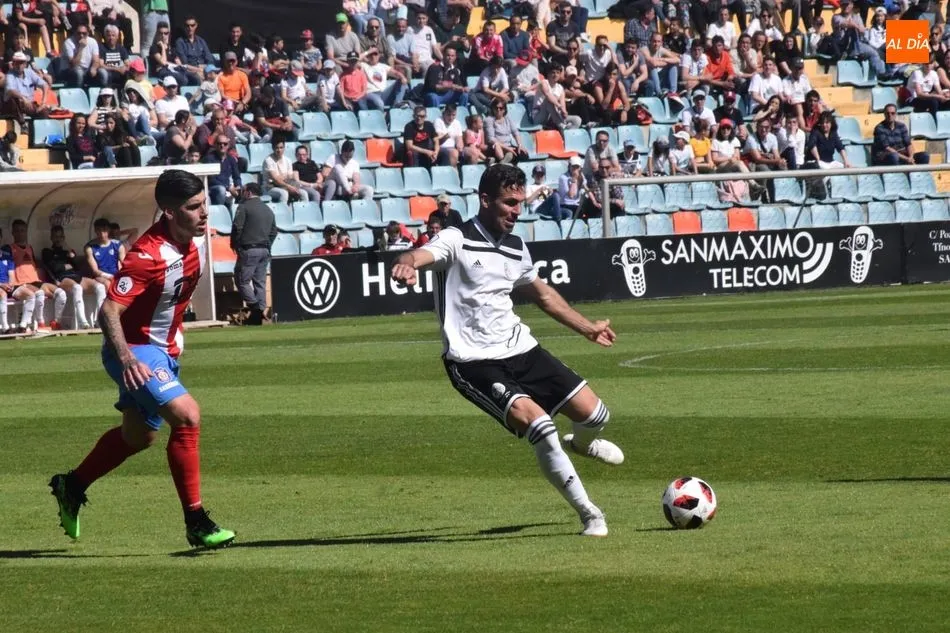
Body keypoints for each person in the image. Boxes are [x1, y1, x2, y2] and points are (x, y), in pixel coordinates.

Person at [390, 163, 623, 536]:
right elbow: (416, 256)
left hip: (521, 349)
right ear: (485, 200)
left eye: (519, 202)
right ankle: (590, 514)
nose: (517, 210)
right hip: (474, 363)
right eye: (509, 203)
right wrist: (405, 266)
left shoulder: (516, 247)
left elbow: (544, 296)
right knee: (542, 427)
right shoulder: (457, 239)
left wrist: (587, 329)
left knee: (596, 416)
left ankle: (582, 444)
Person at [49, 170, 235, 549]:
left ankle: (72, 485)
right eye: (193, 207)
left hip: (160, 351)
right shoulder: (146, 257)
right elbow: (108, 312)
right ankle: (196, 522)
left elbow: (172, 301)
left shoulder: (195, 243)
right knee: (188, 417)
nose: (204, 213)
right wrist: (127, 358)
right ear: (168, 212)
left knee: (139, 436)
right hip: (135, 352)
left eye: (204, 204)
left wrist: (173, 338)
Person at [230, 183, 276, 326]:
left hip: (249, 249)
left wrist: (235, 245)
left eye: (243, 191)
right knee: (260, 282)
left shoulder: (244, 207)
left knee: (242, 280)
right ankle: (260, 314)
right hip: (265, 250)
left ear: (248, 193)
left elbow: (237, 228)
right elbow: (274, 232)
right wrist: (267, 245)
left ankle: (255, 309)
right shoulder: (268, 210)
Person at [42, 224, 104, 329]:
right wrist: (66, 265)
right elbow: (55, 268)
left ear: (63, 238)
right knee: (77, 288)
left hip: (77, 276)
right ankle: (83, 322)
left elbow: (76, 266)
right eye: (55, 237)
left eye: (60, 237)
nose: (58, 239)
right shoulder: (47, 251)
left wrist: (69, 254)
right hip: (62, 278)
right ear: (51, 237)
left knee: (100, 287)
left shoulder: (68, 252)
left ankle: (99, 320)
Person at [0, 227, 39, 335]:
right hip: (1, 287)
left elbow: (11, 273)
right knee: (2, 294)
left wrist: (11, 283)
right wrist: (2, 285)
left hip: (8, 285)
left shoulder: (6, 256)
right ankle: (5, 328)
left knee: (31, 295)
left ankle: (23, 325)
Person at [84, 217, 125, 293]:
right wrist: (109, 276)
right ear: (95, 231)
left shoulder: (118, 245)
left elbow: (125, 265)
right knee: (108, 284)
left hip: (116, 274)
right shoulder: (90, 247)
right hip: (100, 276)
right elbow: (95, 271)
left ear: (109, 230)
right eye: (99, 230)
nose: (102, 234)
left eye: (104, 230)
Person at [203, 134, 242, 205]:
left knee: (243, 191)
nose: (222, 146)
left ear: (228, 145)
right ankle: (220, 211)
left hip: (228, 188)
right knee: (221, 189)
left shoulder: (231, 159)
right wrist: (228, 187)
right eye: (219, 143)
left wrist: (238, 186)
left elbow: (237, 177)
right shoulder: (209, 159)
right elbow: (212, 179)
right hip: (213, 188)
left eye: (225, 144)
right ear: (215, 145)